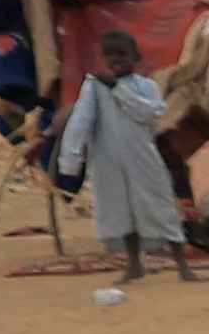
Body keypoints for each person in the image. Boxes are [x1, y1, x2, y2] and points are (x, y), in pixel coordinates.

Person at [55, 28, 190, 284]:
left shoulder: (146, 86)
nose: (116, 60)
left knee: (160, 207)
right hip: (108, 162)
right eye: (110, 55)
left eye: (122, 54)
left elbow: (150, 113)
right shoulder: (94, 88)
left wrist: (118, 89)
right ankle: (133, 265)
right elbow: (80, 122)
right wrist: (70, 161)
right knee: (121, 212)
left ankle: (183, 266)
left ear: (135, 57)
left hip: (143, 159)